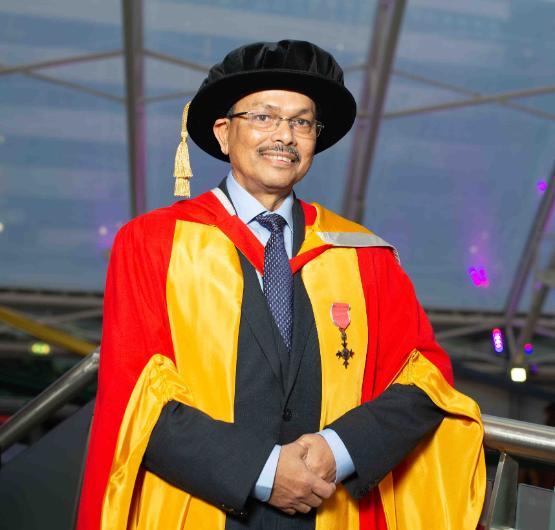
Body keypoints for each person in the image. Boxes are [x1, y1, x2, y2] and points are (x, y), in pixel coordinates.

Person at [77, 40, 485, 530]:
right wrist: (263, 471)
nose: (284, 136)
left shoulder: (362, 254)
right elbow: (135, 391)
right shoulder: (154, 243)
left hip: (331, 509)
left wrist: (340, 449)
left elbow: (425, 380)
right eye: (264, 117)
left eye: (301, 122)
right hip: (198, 509)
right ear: (224, 133)